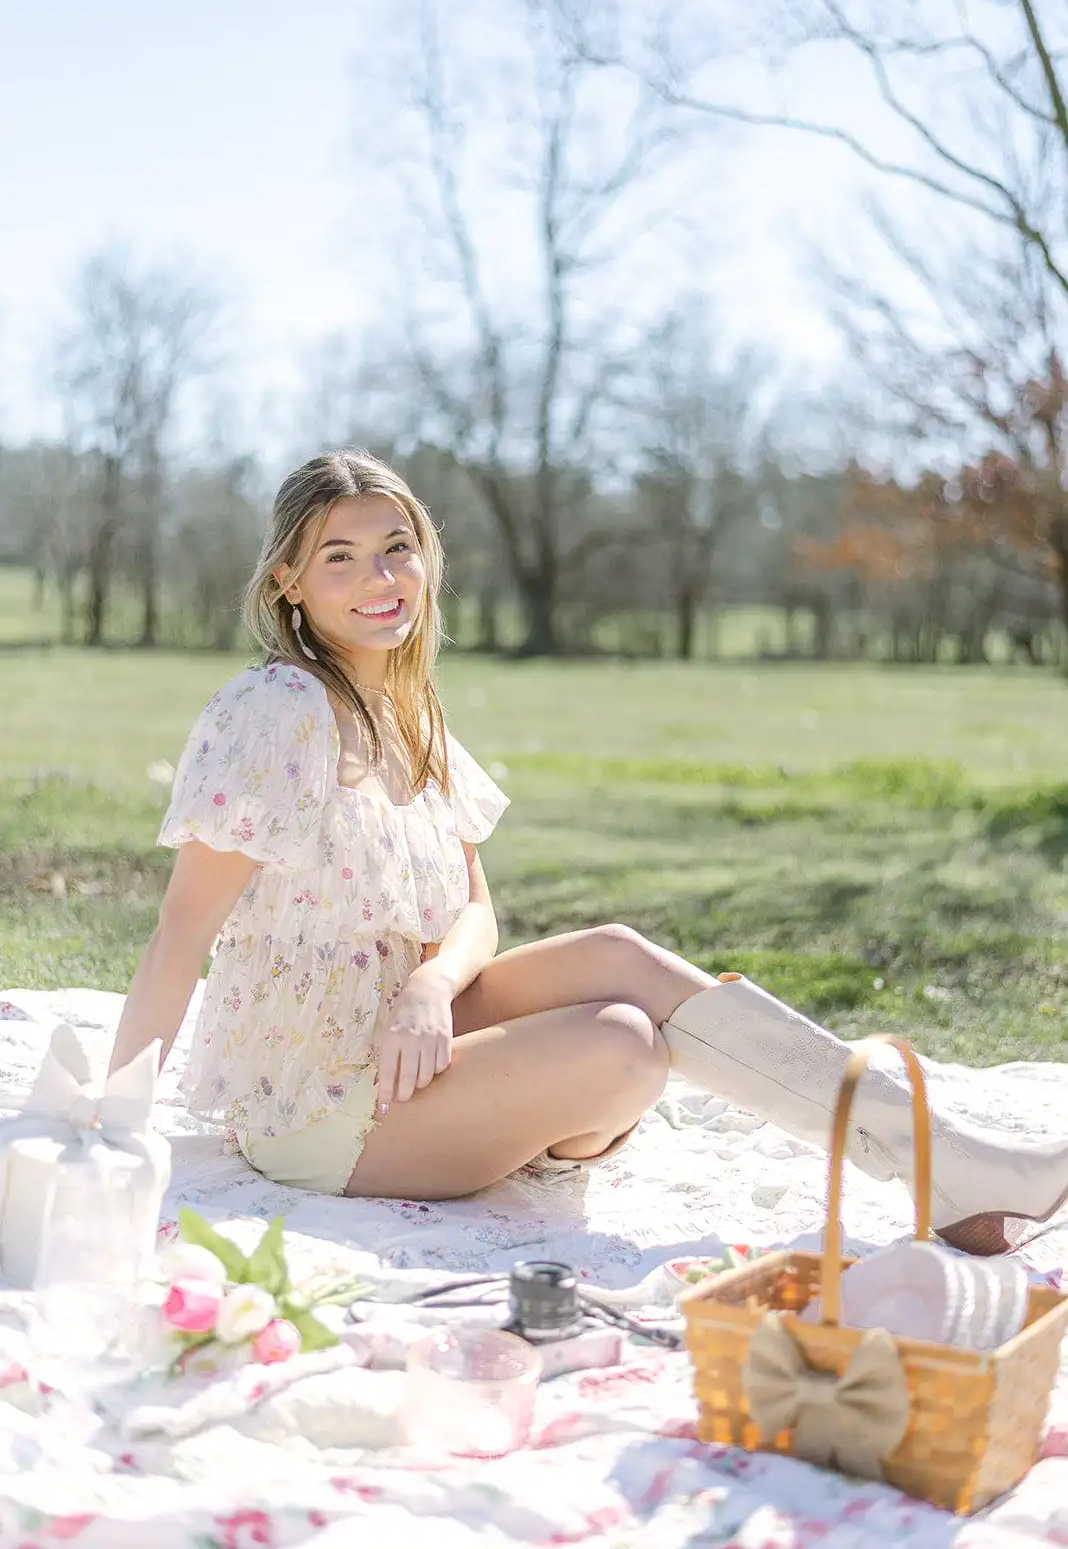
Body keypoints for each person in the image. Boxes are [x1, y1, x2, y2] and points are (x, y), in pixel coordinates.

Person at [109, 450, 1068, 1257]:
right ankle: (534, 1113)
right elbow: (180, 935)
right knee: (624, 1046)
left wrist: (429, 990)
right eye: (341, 558)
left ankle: (941, 1162)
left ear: (426, 559)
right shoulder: (273, 712)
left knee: (617, 954)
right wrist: (111, 1130)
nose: (380, 579)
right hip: (315, 1097)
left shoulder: (412, 712)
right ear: (289, 580)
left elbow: (476, 910)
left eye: (396, 549)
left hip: (409, 1030)